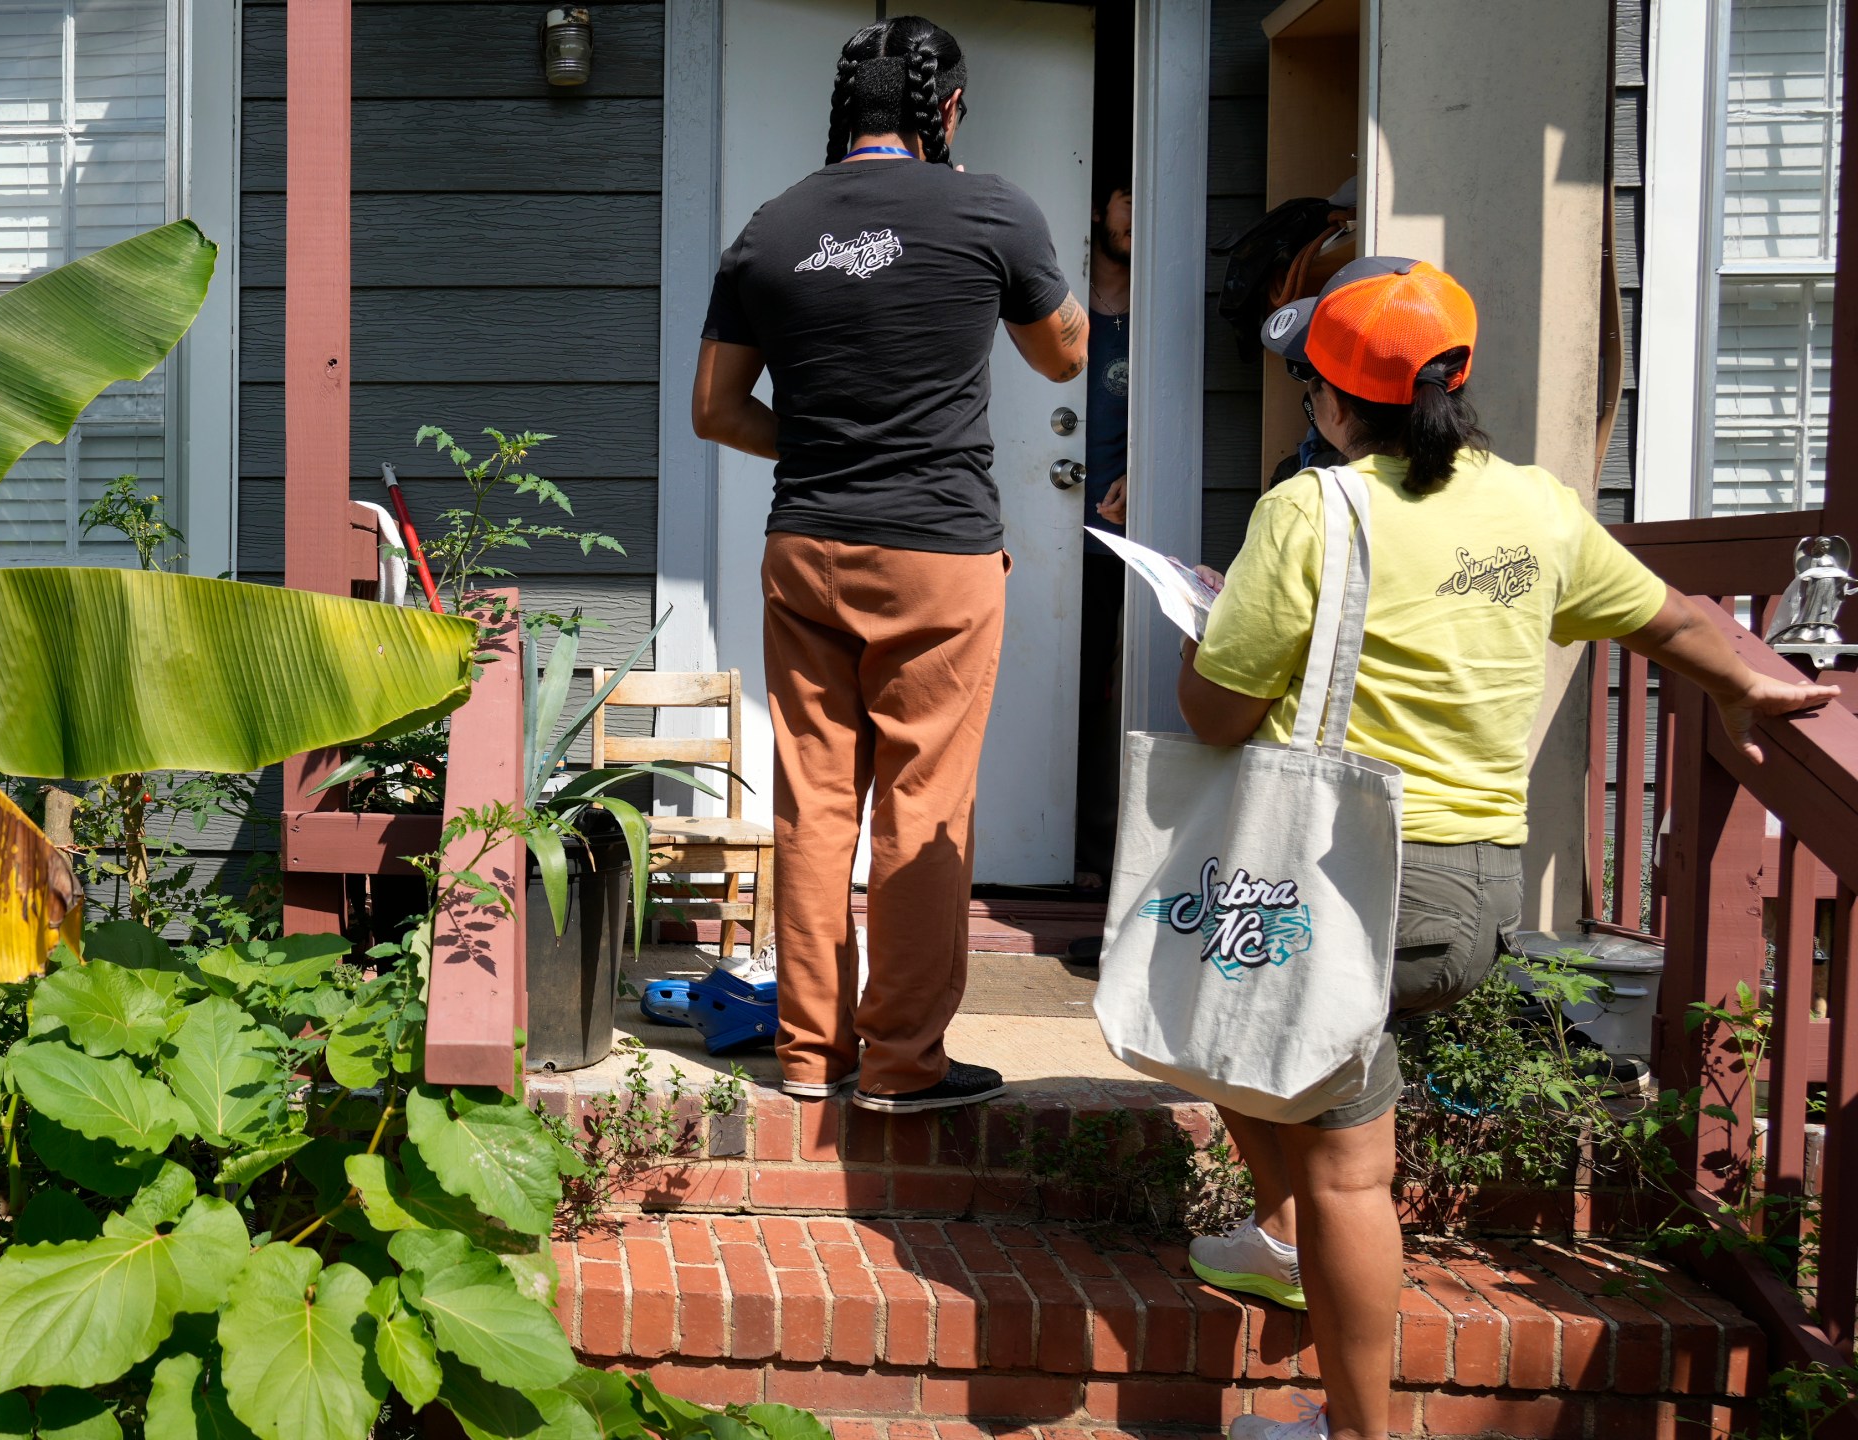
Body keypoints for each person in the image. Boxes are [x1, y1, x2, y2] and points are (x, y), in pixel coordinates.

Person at [1178, 257, 1841, 1440]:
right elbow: (1674, 616)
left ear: (1328, 400)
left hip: (1336, 879)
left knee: (1332, 1153)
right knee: (1239, 1027)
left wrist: (1218, 623)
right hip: (1471, 892)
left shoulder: (1312, 508)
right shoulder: (1531, 505)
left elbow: (1215, 711)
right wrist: (1746, 681)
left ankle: (1353, 1418)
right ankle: (1282, 1243)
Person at [692, 16, 1088, 1115]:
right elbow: (1062, 353)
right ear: (945, 108)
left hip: (806, 545)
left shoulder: (770, 230)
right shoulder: (992, 208)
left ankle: (812, 1058)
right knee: (921, 808)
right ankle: (906, 1065)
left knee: (813, 804)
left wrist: (820, 442)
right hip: (937, 554)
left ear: (845, 108)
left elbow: (716, 412)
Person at [1074, 177, 1132, 892]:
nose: (1135, 214)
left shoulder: (1151, 316)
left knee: (1108, 698)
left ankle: (1096, 850)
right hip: (1048, 537)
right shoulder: (1060, 311)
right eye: (1125, 196)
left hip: (1117, 539)